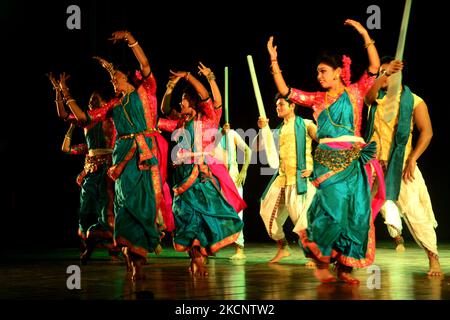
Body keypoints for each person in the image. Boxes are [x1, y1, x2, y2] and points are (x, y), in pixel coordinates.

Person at [267, 19, 383, 284]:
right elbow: (286, 91)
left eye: (323, 71)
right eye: (317, 72)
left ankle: (345, 267)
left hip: (353, 163)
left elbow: (374, 68)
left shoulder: (354, 93)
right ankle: (321, 258)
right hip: (328, 163)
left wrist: (365, 34)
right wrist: (274, 61)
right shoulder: (317, 99)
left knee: (355, 212)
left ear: (338, 72)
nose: (318, 76)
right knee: (331, 208)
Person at [62, 30, 172, 281]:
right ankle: (132, 258)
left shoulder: (145, 90)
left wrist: (130, 39)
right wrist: (66, 95)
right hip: (121, 159)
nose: (113, 80)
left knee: (141, 204)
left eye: (116, 76)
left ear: (128, 77)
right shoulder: (113, 105)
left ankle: (139, 255)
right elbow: (85, 118)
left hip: (142, 155)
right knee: (122, 206)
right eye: (112, 77)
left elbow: (144, 64)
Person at [158, 67, 245, 276]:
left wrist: (191, 77)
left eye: (185, 99)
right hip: (181, 177)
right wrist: (170, 87)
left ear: (195, 102)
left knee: (202, 217)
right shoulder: (181, 122)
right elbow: (164, 109)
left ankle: (199, 257)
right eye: (181, 100)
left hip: (201, 175)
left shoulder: (208, 118)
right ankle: (196, 256)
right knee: (185, 217)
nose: (181, 103)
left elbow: (208, 96)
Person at [364, 56, 442, 276]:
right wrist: (384, 74)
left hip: (401, 164)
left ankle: (433, 259)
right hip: (373, 165)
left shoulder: (415, 101)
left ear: (399, 74)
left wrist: (413, 158)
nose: (383, 77)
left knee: (416, 214)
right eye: (380, 73)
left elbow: (427, 132)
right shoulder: (375, 100)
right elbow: (369, 95)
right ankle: (350, 258)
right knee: (360, 212)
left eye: (387, 73)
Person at [48, 73, 118, 264]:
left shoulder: (109, 116)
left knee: (107, 209)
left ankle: (113, 246)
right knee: (85, 209)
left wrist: (65, 90)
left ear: (103, 103)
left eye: (96, 100)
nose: (91, 102)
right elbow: (63, 114)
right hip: (90, 171)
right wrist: (58, 91)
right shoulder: (85, 120)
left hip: (107, 169)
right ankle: (88, 244)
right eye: (90, 100)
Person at [256, 94, 317, 264]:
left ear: (292, 106)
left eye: (281, 104)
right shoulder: (278, 129)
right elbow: (256, 148)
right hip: (282, 178)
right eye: (276, 105)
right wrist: (263, 129)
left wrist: (314, 169)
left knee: (301, 219)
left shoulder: (305, 124)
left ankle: (314, 255)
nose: (278, 107)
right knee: (266, 211)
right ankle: (283, 248)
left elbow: (324, 142)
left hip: (300, 179)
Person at [215, 123, 252, 260]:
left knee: (237, 213)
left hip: (233, 178)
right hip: (216, 179)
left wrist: (244, 171)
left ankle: (239, 248)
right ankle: (213, 246)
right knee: (214, 213)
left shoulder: (232, 134)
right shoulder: (211, 136)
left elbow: (248, 150)